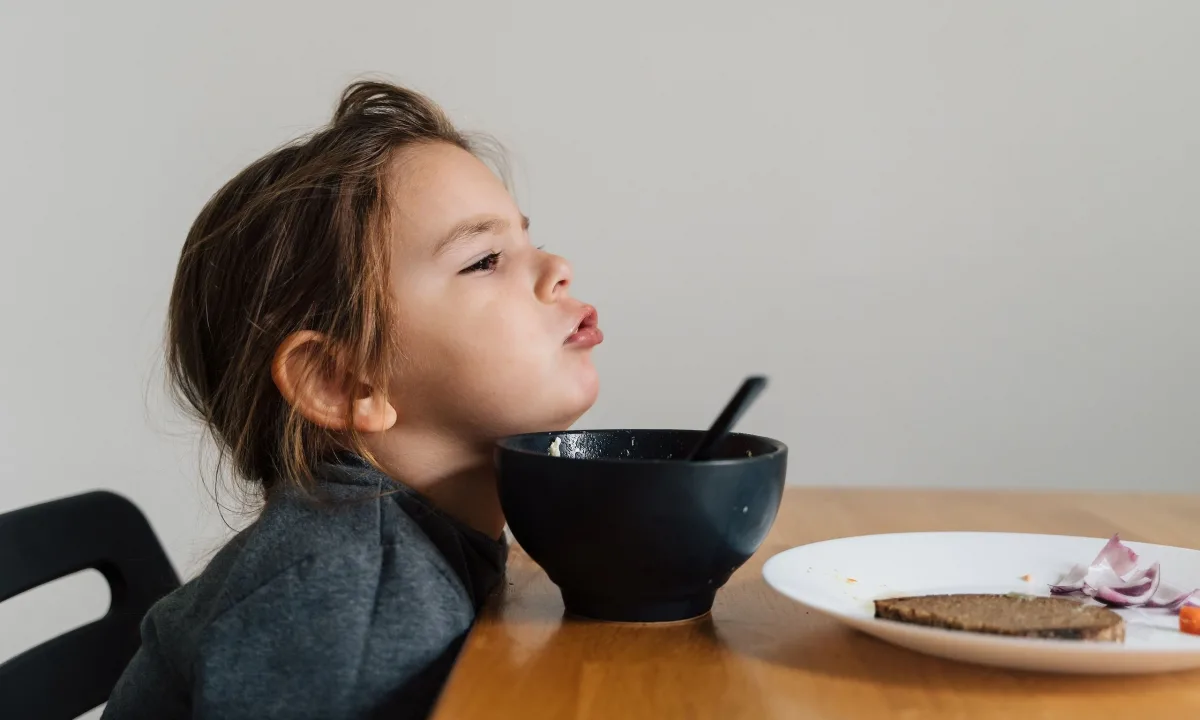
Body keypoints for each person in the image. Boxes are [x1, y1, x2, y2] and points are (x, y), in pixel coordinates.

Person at [102, 79, 603, 720]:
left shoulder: (412, 550)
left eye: (528, 239)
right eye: (484, 260)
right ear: (342, 383)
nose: (556, 265)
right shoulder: (346, 599)